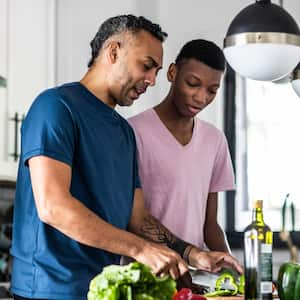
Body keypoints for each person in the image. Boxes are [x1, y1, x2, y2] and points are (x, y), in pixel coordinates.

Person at [11, 15, 242, 300]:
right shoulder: (56, 107)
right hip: (47, 290)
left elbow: (139, 218)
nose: (152, 80)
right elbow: (53, 206)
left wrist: (193, 254)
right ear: (113, 51)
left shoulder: (123, 132)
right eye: (146, 66)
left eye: (156, 70)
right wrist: (141, 249)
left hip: (105, 289)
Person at [129, 39, 234, 253]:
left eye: (212, 90)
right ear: (172, 73)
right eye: (193, 84)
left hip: (196, 278)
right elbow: (131, 218)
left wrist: (233, 270)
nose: (202, 97)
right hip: (146, 277)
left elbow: (210, 226)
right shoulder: (132, 132)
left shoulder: (215, 140)